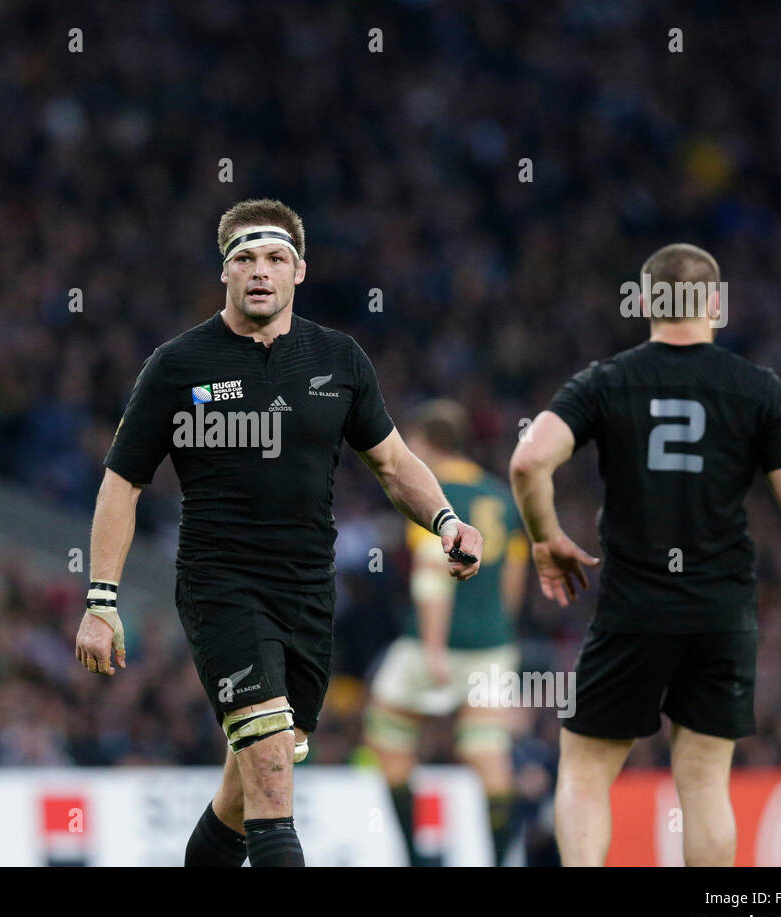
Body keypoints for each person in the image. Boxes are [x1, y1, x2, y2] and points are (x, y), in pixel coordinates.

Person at [74, 198, 484, 867]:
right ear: (225, 274)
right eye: (244, 259)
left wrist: (444, 520)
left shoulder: (340, 360)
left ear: (298, 270)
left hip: (309, 597)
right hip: (221, 588)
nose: (259, 271)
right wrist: (100, 599)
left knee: (244, 788)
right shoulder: (178, 366)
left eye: (273, 258)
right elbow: (122, 482)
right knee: (270, 771)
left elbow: (392, 462)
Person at [509, 243, 781, 866]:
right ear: (716, 304)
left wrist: (545, 536)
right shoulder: (755, 387)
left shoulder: (607, 380)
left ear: (643, 303)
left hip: (632, 609)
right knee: (704, 781)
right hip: (722, 610)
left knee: (584, 771)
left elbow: (529, 458)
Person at [363, 400, 527, 865]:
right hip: (492, 646)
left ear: (427, 443)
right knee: (487, 753)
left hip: (430, 645)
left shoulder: (432, 500)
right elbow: (513, 584)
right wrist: (502, 637)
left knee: (386, 732)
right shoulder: (501, 497)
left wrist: (434, 651)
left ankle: (417, 856)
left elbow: (432, 581)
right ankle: (499, 860)